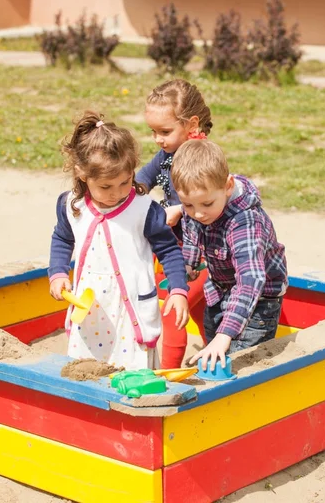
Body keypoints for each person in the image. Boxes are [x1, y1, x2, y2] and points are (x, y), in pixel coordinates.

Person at [48, 111, 189, 370]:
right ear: (82, 173)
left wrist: (178, 289)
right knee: (87, 370)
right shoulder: (72, 205)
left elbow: (169, 250)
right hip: (90, 312)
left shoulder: (143, 210)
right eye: (105, 186)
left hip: (130, 313)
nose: (117, 193)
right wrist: (57, 273)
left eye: (125, 182)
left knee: (133, 372)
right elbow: (62, 238)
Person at [171, 139, 288, 371]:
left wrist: (225, 335)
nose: (198, 213)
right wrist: (185, 270)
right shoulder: (198, 211)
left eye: (206, 203)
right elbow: (193, 237)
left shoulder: (244, 221)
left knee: (241, 364)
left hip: (259, 302)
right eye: (187, 205)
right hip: (220, 290)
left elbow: (250, 279)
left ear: (228, 186)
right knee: (214, 353)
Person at [136, 79, 212, 369]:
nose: (158, 139)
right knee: (199, 310)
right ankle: (216, 351)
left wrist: (179, 208)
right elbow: (142, 179)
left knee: (173, 307)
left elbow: (210, 198)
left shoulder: (203, 157)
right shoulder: (166, 156)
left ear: (191, 124)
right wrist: (127, 194)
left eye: (165, 131)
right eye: (153, 132)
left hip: (203, 250)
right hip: (177, 248)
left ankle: (167, 373)